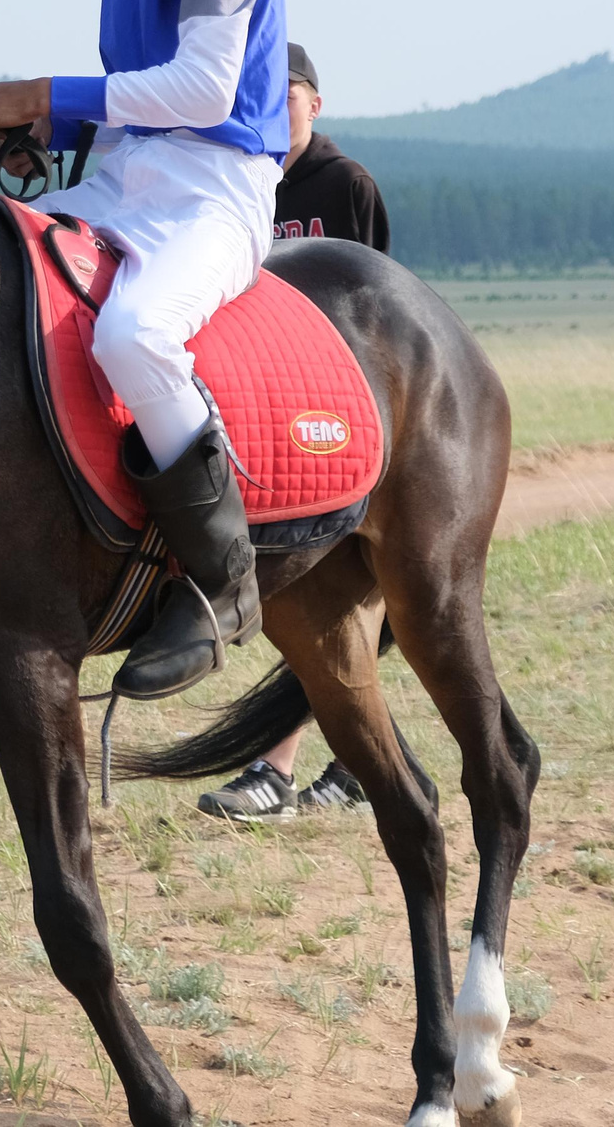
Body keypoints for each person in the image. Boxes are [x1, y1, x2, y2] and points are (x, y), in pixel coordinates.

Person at [0, 0, 290, 701]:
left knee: (131, 335)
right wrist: (41, 124)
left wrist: (47, 94)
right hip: (125, 176)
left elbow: (203, 84)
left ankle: (220, 587)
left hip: (216, 188)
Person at [199, 43, 393, 822]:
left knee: (314, 588)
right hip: (265, 403)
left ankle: (275, 767)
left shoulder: (347, 186)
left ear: (317, 103)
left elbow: (379, 300)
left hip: (334, 404)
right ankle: (353, 765)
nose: (276, 112)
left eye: (289, 97)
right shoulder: (241, 179)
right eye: (260, 97)